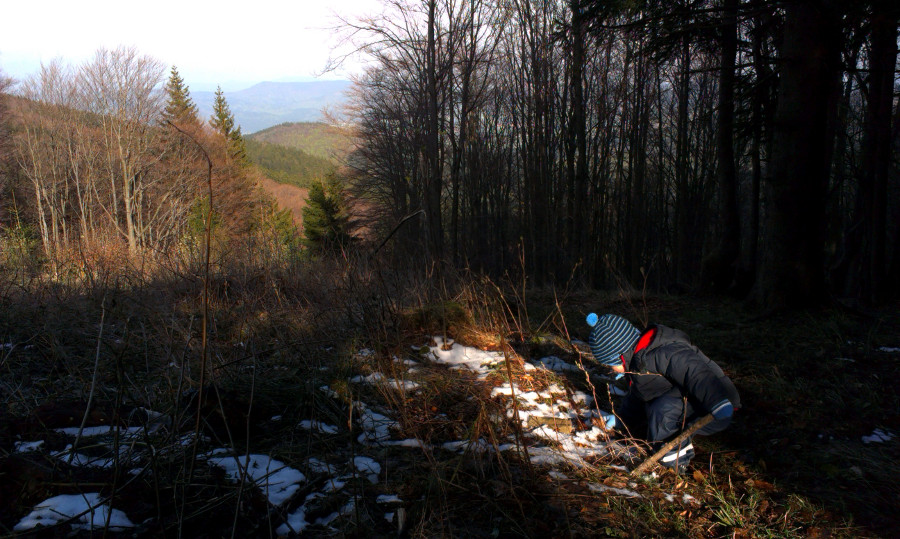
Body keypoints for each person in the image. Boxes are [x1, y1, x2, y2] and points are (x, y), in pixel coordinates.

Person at [586, 313, 740, 470]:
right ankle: (668, 441)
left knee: (663, 410)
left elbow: (694, 371)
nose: (611, 369)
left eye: (610, 364)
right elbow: (638, 396)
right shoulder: (638, 363)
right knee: (658, 407)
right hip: (696, 400)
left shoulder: (662, 353)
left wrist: (716, 400)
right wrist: (622, 419)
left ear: (620, 357)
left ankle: (672, 460)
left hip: (715, 403)